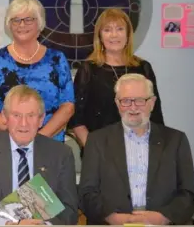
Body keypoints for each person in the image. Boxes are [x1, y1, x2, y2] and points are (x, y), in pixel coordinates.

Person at [79, 73, 194, 225]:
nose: (133, 107)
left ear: (152, 103)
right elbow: (87, 193)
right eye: (126, 101)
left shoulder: (176, 140)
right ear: (117, 103)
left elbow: (189, 194)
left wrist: (163, 217)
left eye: (140, 100)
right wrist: (112, 217)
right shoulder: (97, 140)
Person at [0, 85, 78, 225]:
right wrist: (7, 225)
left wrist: (43, 225)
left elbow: (70, 211)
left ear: (41, 119)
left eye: (31, 115)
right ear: (4, 116)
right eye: (16, 115)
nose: (23, 123)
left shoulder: (61, 154)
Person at [0, 0, 74, 142]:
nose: (22, 24)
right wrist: (17, 136)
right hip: (3, 145)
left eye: (29, 19)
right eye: (16, 19)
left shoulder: (57, 60)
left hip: (47, 145)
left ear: (39, 23)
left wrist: (38, 140)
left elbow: (67, 107)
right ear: (9, 25)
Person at [68, 8, 164, 148]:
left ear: (128, 34)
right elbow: (77, 121)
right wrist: (93, 151)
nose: (114, 35)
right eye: (107, 30)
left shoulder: (143, 68)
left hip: (140, 149)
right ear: (99, 36)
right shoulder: (88, 69)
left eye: (119, 29)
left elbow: (155, 115)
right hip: (101, 150)